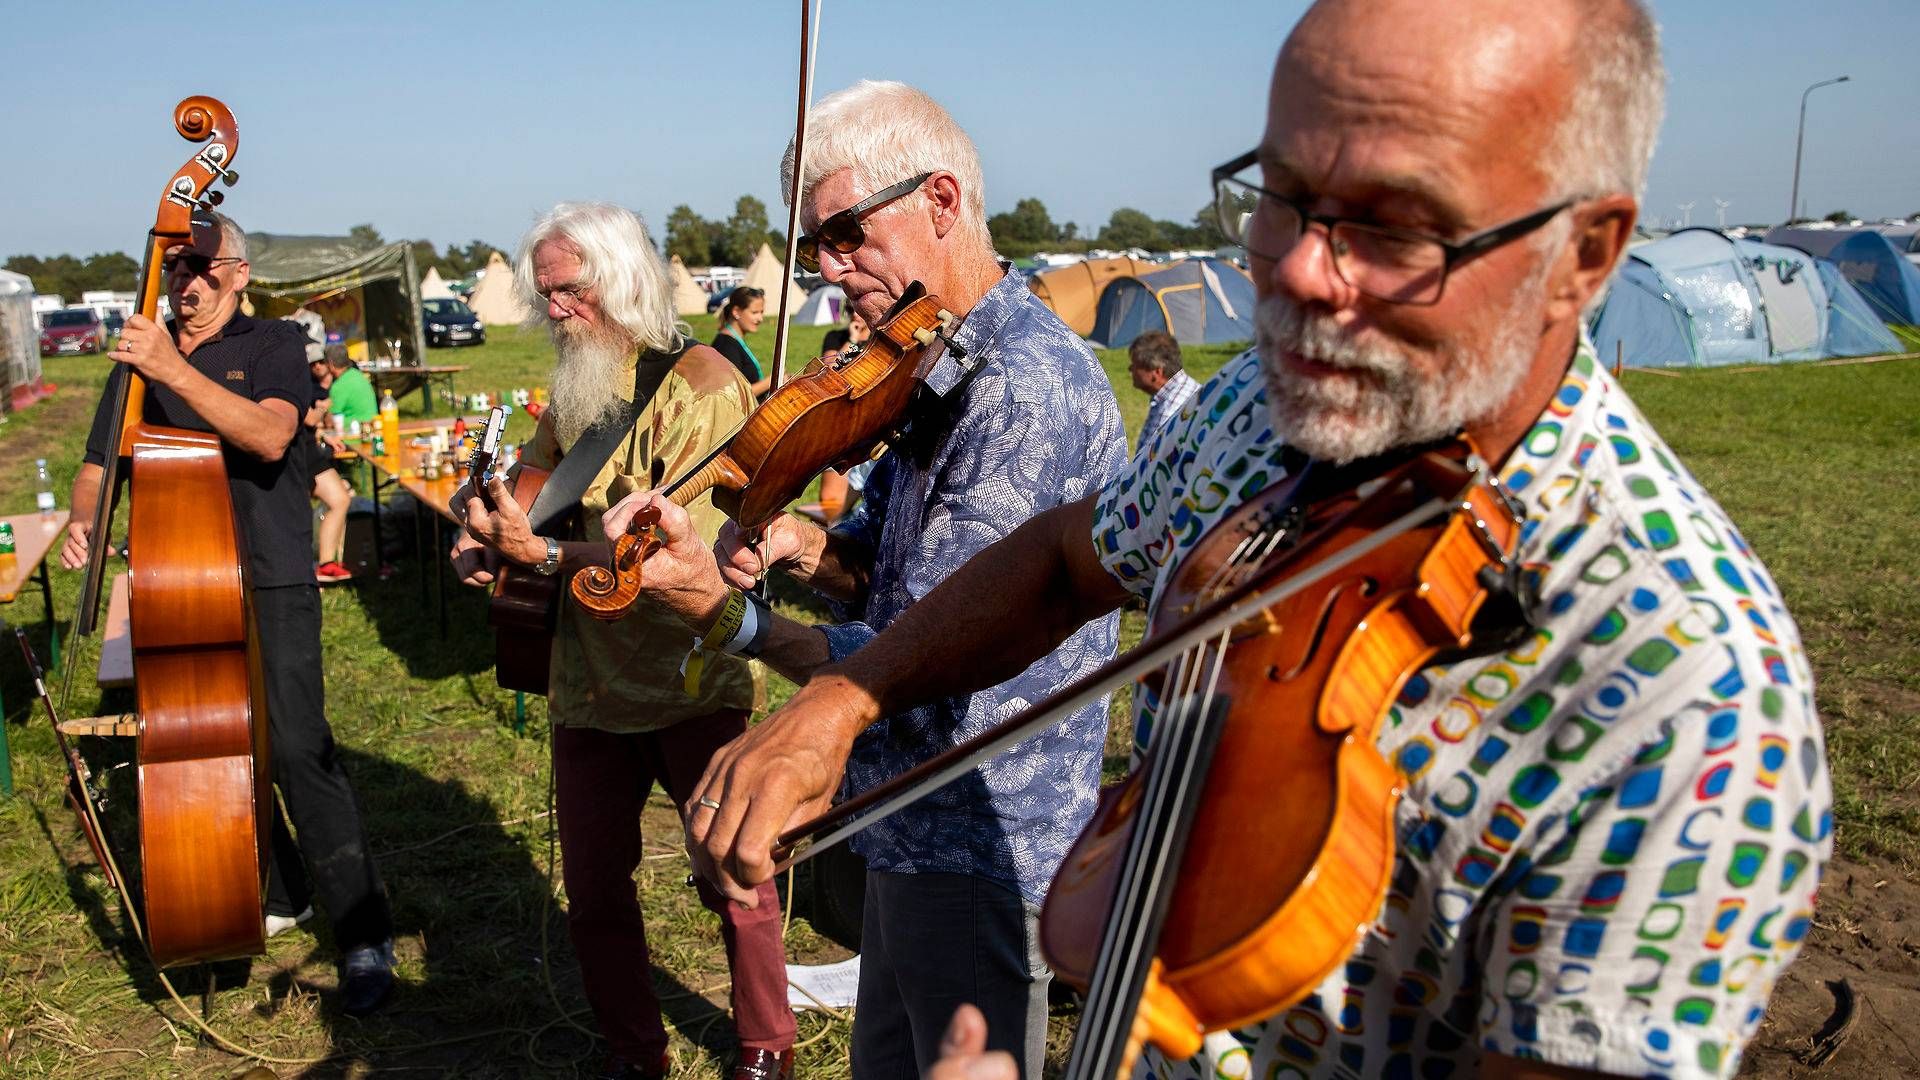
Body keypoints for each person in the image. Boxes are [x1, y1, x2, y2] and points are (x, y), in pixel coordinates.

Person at [684, 4, 1833, 1078]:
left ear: (1585, 253)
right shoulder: (1267, 415)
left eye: (1392, 222)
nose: (1289, 266)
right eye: (1280, 194)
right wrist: (848, 699)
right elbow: (1064, 561)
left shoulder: (1692, 697)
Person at [602, 79, 1126, 1080]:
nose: (830, 271)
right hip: (905, 820)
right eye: (818, 243)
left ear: (940, 202)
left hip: (980, 833)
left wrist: (732, 619)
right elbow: (881, 577)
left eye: (846, 232)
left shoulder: (1021, 386)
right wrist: (801, 545)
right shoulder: (929, 367)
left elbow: (938, 649)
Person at [448, 202, 795, 1080]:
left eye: (571, 291)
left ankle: (765, 1047)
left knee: (736, 874)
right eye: (547, 293)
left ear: (624, 281)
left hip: (688, 679)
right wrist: (485, 528)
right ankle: (635, 1053)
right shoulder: (578, 382)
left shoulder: (708, 385)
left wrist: (548, 550)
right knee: (596, 893)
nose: (555, 310)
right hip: (589, 687)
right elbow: (533, 487)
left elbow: (690, 559)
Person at [64, 211, 395, 1015]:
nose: (188, 281)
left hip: (271, 575)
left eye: (204, 268)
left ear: (240, 274)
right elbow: (95, 464)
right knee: (210, 745)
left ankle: (363, 933)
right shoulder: (137, 363)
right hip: (177, 583)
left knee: (294, 747)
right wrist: (84, 519)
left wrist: (172, 369)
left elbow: (271, 438)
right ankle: (277, 892)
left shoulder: (273, 346)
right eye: (175, 268)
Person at [817, 309, 875, 522]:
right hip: (839, 424)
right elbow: (828, 373)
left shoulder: (880, 340)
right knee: (830, 505)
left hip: (869, 422)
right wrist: (852, 341)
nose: (855, 315)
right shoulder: (836, 337)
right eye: (850, 310)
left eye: (858, 310)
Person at [306, 343, 355, 583]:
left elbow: (308, 422)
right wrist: (321, 409)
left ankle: (326, 564)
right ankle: (302, 570)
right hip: (292, 456)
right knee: (298, 513)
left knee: (340, 499)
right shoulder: (288, 375)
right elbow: (305, 415)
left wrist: (325, 435)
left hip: (308, 450)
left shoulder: (302, 379)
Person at [1125, 330, 1198, 446]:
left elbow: (1151, 460)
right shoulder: (1183, 388)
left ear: (1157, 372)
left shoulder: (1171, 408)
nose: (1130, 369)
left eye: (1135, 365)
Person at [711, 286, 770, 398]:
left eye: (761, 312)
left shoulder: (734, 341)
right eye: (754, 312)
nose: (760, 318)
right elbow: (734, 395)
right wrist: (769, 382)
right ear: (736, 312)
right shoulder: (726, 346)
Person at [325, 342, 378, 424]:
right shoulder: (358, 374)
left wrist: (322, 409)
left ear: (331, 364)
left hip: (353, 431)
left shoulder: (339, 385)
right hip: (373, 424)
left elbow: (329, 422)